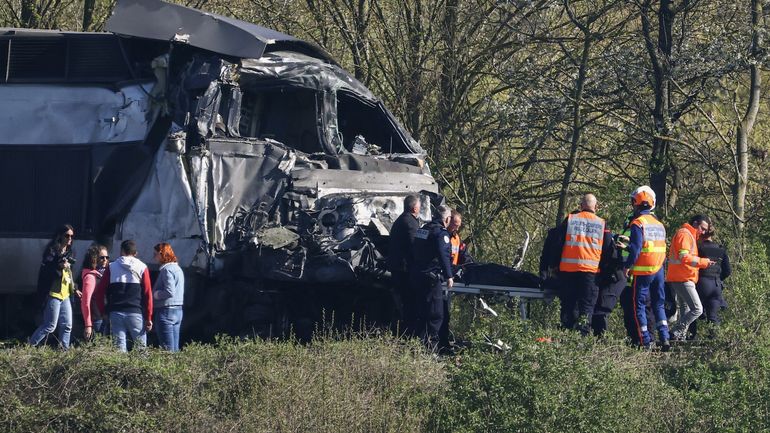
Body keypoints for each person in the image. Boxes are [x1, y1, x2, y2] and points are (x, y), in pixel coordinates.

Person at [623, 186, 670, 350]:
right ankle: (665, 338)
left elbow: (636, 249)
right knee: (659, 304)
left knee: (640, 306)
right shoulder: (659, 224)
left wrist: (627, 266)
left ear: (635, 204)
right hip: (659, 270)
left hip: (643, 271)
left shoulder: (638, 223)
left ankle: (646, 341)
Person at [555, 193, 605, 335]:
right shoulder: (601, 223)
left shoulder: (571, 219)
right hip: (590, 273)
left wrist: (553, 266)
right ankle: (582, 339)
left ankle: (566, 336)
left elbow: (557, 244)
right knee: (586, 308)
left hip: (568, 271)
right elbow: (608, 249)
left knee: (568, 306)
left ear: (581, 205)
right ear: (596, 206)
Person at [94, 240, 153, 352]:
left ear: (121, 251)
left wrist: (103, 312)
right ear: (135, 253)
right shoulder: (142, 267)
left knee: (119, 351)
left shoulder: (111, 267)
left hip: (116, 313)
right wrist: (148, 317)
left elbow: (100, 291)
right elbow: (147, 293)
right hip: (135, 312)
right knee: (141, 350)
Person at [410, 205, 454, 349]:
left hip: (417, 275)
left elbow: (414, 249)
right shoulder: (441, 233)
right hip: (431, 278)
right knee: (436, 314)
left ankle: (418, 346)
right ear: (447, 219)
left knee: (421, 312)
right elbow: (443, 255)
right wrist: (449, 276)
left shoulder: (422, 229)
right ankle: (431, 348)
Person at [29, 224, 79, 349]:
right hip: (52, 293)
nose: (69, 239)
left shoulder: (70, 252)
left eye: (71, 236)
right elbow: (45, 272)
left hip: (65, 294)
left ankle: (64, 352)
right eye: (67, 235)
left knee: (67, 325)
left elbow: (70, 274)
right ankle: (30, 346)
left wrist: (75, 288)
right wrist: (59, 266)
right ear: (60, 236)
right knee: (50, 325)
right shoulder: (51, 251)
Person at [666, 215, 714, 341]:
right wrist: (704, 262)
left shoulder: (688, 235)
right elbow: (684, 257)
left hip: (682, 277)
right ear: (695, 223)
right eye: (702, 228)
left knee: (686, 309)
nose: (703, 232)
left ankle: (679, 338)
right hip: (683, 278)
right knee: (697, 309)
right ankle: (675, 332)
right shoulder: (685, 234)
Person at [387, 194, 421, 336]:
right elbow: (415, 245)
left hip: (399, 267)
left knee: (405, 301)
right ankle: (408, 332)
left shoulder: (402, 220)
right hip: (405, 269)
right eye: (419, 207)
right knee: (409, 302)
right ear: (414, 208)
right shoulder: (410, 223)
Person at [691, 223, 731, 338]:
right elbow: (728, 271)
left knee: (693, 311)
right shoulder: (721, 249)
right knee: (713, 317)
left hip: (701, 284)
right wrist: (718, 278)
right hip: (716, 285)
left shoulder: (698, 248)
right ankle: (713, 341)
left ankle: (691, 337)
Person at [438, 210, 469, 353]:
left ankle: (444, 343)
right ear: (448, 220)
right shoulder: (442, 236)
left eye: (458, 226)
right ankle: (440, 344)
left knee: (445, 314)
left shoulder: (456, 238)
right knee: (440, 314)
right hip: (442, 278)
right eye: (454, 224)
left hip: (450, 278)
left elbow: (463, 255)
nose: (456, 228)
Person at [590, 226, 627, 337]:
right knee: (598, 309)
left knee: (601, 310)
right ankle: (599, 338)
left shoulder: (604, 235)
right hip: (611, 276)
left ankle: (601, 339)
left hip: (614, 277)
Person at [153, 243, 185, 352]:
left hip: (166, 311)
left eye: (155, 254)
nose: (154, 257)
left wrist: (156, 294)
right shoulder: (178, 269)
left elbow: (169, 291)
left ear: (161, 254)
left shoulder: (166, 270)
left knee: (167, 349)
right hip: (178, 310)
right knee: (174, 348)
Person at [80, 244, 109, 340]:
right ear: (94, 259)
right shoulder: (91, 277)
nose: (105, 260)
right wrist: (88, 324)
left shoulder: (102, 274)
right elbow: (85, 302)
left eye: (107, 257)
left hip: (104, 316)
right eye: (102, 257)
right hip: (96, 319)